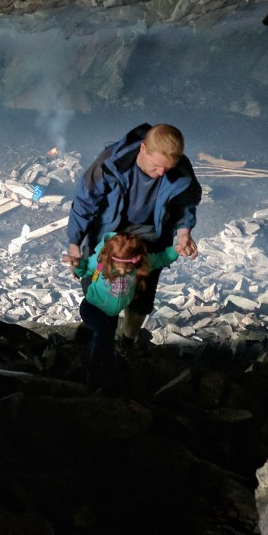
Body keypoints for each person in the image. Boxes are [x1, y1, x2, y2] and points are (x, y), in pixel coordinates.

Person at [66, 123, 202, 349]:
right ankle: (99, 338)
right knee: (99, 296)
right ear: (143, 149)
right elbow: (84, 202)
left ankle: (127, 342)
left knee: (141, 299)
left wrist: (184, 233)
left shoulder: (179, 170)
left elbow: (185, 204)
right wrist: (74, 244)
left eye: (168, 168)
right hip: (107, 238)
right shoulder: (111, 163)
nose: (161, 174)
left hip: (150, 240)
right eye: (157, 166)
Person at [70, 232, 179, 392]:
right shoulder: (101, 261)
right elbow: (85, 270)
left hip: (111, 315)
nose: (122, 272)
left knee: (104, 338)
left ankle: (99, 372)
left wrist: (176, 249)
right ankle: (98, 375)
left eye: (128, 268)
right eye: (119, 267)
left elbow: (161, 258)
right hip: (91, 308)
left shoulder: (139, 264)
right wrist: (78, 265)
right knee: (104, 334)